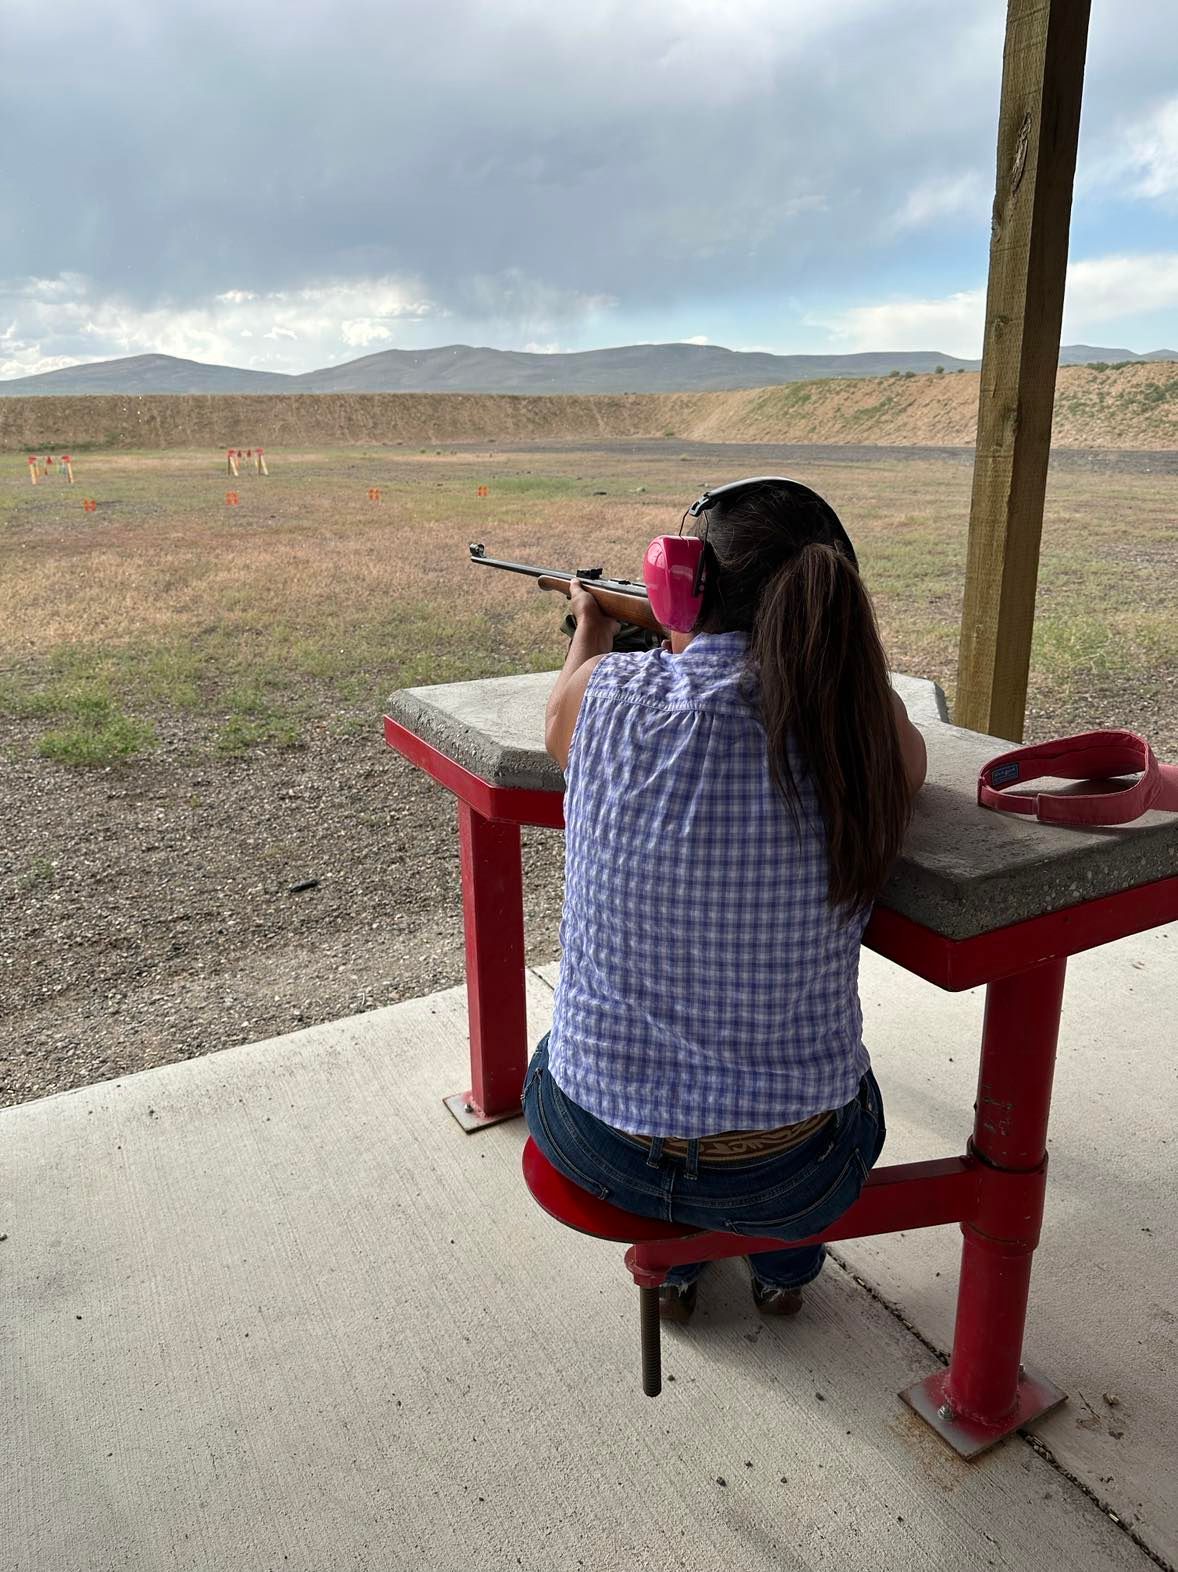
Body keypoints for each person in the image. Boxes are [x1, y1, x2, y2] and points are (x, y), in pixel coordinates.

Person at [522, 477, 927, 1323]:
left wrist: (592, 626)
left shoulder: (598, 696)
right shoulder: (858, 730)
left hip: (597, 1146)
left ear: (678, 586)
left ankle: (671, 1269)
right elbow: (907, 756)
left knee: (554, 1054)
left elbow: (567, 710)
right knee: (831, 1113)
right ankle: (786, 1266)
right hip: (794, 1173)